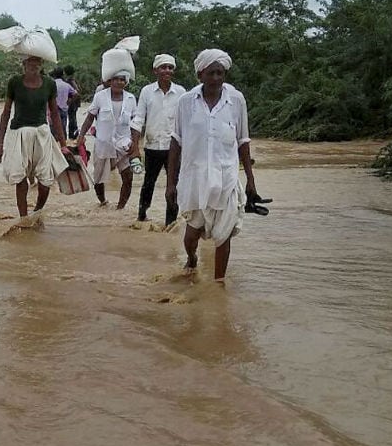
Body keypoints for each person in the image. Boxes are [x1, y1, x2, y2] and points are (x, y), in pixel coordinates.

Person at [166, 49, 260, 281]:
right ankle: (192, 257)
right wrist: (171, 183)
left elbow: (243, 140)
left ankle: (219, 286)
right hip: (195, 179)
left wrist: (250, 178)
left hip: (226, 179)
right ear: (200, 75)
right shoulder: (186, 102)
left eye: (221, 73)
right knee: (191, 235)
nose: (217, 78)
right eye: (212, 73)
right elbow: (176, 141)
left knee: (223, 235)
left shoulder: (236, 100)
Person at [0, 56, 73, 217]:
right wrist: (0, 144)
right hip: (18, 132)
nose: (33, 65)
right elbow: (6, 113)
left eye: (37, 62)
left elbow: (55, 115)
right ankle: (23, 218)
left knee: (45, 179)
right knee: (19, 176)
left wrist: (63, 144)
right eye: (30, 62)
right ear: (24, 64)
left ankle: (37, 212)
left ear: (41, 65)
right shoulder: (14, 82)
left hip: (41, 133)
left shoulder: (49, 84)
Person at [131, 54, 187, 225]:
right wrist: (135, 148)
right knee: (149, 182)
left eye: (170, 67)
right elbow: (139, 119)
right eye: (163, 67)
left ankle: (170, 222)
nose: (167, 70)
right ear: (155, 70)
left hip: (174, 147)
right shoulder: (147, 92)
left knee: (174, 185)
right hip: (153, 146)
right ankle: (142, 215)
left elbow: (187, 121)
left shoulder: (182, 93)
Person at [77, 71, 139, 209]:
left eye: (122, 80)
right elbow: (89, 117)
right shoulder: (100, 97)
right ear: (110, 81)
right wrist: (81, 136)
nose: (119, 82)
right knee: (98, 179)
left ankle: (120, 208)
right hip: (103, 143)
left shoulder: (131, 99)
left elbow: (136, 122)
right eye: (115, 79)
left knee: (128, 177)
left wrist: (135, 143)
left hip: (124, 143)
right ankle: (103, 202)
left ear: (126, 82)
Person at [50, 67, 77, 138]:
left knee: (53, 129)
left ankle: (55, 145)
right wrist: (69, 101)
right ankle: (64, 144)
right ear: (62, 75)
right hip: (64, 109)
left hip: (53, 109)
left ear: (54, 75)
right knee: (63, 128)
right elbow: (76, 93)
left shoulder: (51, 84)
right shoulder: (66, 85)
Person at [63, 65, 82, 139]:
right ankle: (74, 134)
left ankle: (73, 135)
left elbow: (77, 91)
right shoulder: (73, 80)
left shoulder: (70, 81)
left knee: (72, 119)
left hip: (72, 103)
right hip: (74, 103)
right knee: (73, 118)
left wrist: (70, 101)